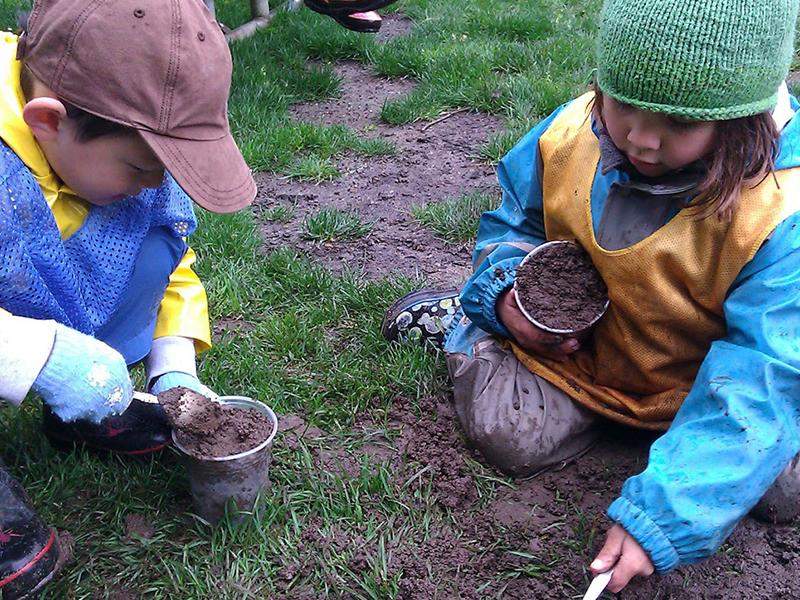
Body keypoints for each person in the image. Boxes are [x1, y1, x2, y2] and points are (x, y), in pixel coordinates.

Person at [383, 0, 800, 593]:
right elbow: (513, 226)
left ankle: (689, 451)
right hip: (582, 358)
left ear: (742, 121)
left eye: (678, 124)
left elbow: (765, 367)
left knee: (780, 489)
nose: (641, 139)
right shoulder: (570, 131)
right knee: (506, 433)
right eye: (624, 102)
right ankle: (460, 321)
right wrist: (502, 299)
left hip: (709, 380)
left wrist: (662, 519)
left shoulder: (783, 209)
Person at [0, 0, 256, 595]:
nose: (155, 184)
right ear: (48, 121)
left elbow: (171, 262)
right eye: (141, 167)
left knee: (150, 237)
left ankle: (82, 415)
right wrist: (36, 354)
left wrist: (175, 368)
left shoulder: (109, 145)